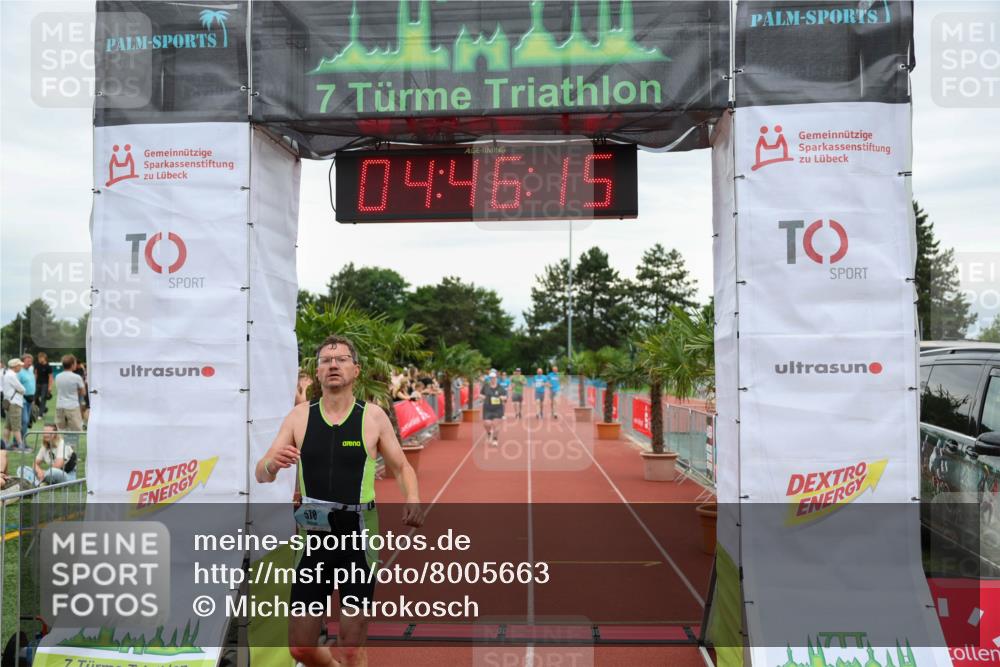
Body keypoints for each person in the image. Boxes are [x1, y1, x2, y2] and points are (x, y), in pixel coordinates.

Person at [255, 335, 422, 667]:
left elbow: (401, 466)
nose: (333, 364)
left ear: (356, 370)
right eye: (326, 360)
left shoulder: (372, 417)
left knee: (350, 643)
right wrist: (273, 464)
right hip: (312, 536)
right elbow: (262, 472)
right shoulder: (299, 417)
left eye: (341, 359)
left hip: (358, 532)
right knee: (300, 648)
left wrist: (413, 497)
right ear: (316, 373)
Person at [54, 355, 85, 445]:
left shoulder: (58, 376)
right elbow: (83, 392)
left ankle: (62, 450)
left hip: (60, 405)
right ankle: (70, 451)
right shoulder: (76, 377)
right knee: (74, 430)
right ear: (72, 364)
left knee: (61, 429)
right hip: (72, 406)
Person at [2, 359, 26, 451]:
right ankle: (20, 445)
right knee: (16, 426)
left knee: (8, 425)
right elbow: (22, 389)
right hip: (14, 403)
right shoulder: (12, 375)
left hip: (9, 402)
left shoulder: (7, 374)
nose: (21, 367)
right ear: (15, 366)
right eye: (19, 365)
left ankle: (5, 443)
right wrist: (23, 390)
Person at [480, 370, 507, 446]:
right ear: (489, 378)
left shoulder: (500, 388)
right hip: (487, 408)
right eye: (491, 378)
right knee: (487, 424)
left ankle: (495, 439)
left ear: (496, 378)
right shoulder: (485, 387)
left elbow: (505, 397)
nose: (493, 379)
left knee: (496, 424)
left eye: (494, 378)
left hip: (498, 409)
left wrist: (503, 398)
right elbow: (481, 395)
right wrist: (482, 397)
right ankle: (489, 433)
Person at [19, 354, 36, 440]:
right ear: (22, 362)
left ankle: (18, 441)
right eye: (28, 361)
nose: (30, 363)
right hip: (22, 400)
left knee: (27, 422)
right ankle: (21, 441)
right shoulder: (19, 372)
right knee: (24, 421)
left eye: (31, 361)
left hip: (31, 399)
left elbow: (32, 384)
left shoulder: (31, 370)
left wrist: (33, 398)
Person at [34, 352, 52, 418]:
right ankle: (44, 409)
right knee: (34, 398)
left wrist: (50, 387)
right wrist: (33, 383)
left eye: (41, 358)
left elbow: (50, 377)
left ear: (44, 358)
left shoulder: (48, 367)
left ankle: (40, 414)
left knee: (43, 399)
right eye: (38, 358)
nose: (39, 359)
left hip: (45, 384)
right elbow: (36, 374)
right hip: (37, 384)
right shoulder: (37, 365)